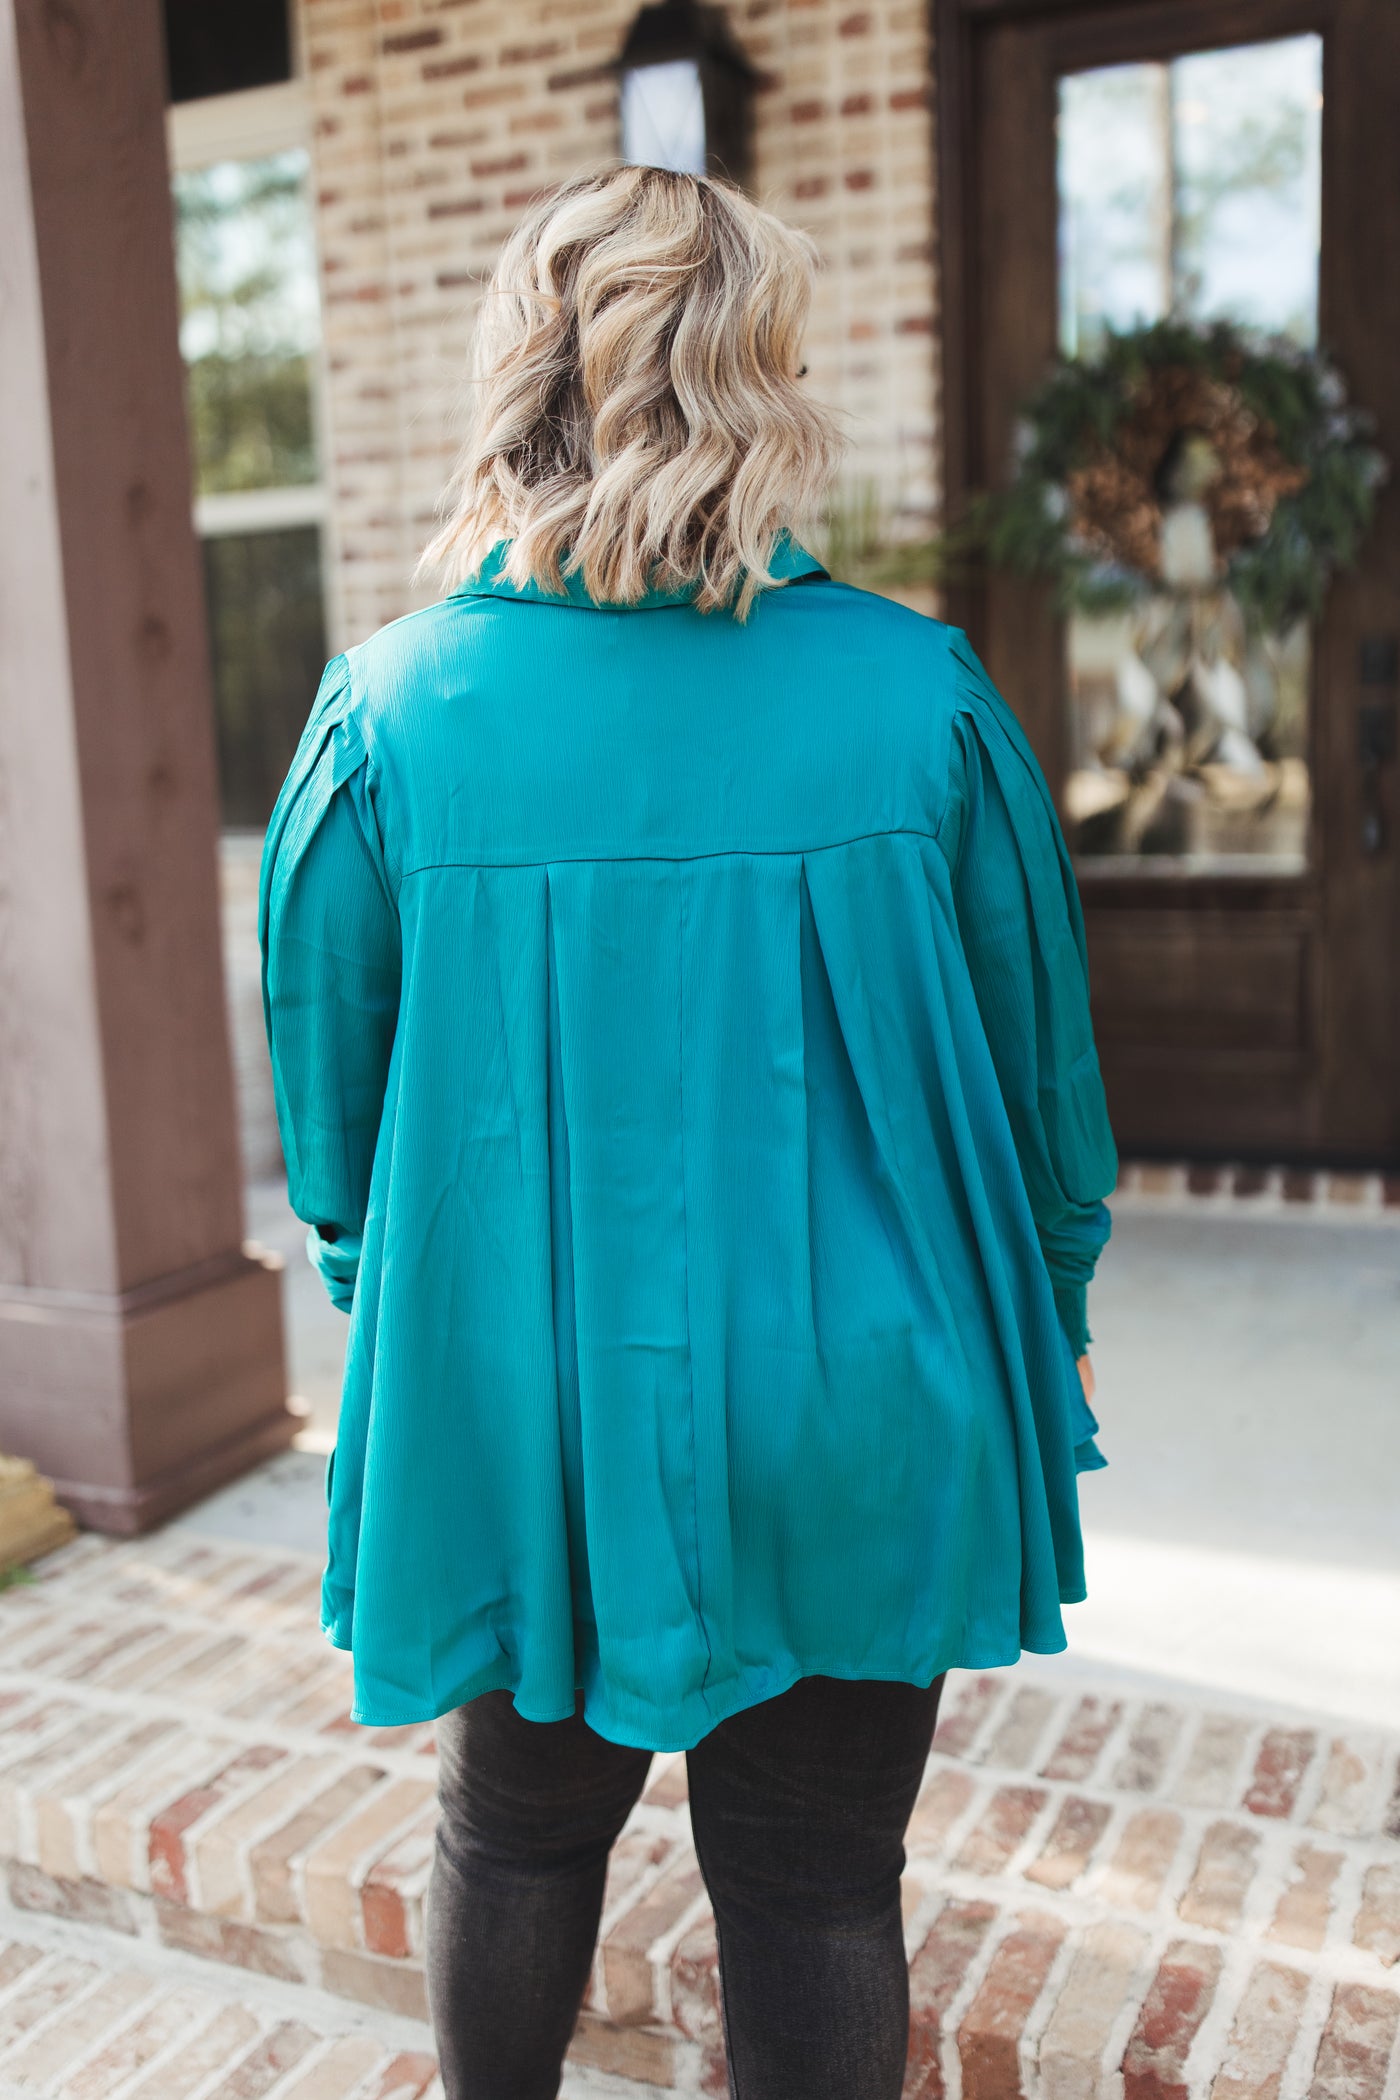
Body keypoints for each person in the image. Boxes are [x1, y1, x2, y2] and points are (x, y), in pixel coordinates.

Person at [260, 162, 1117, 2100]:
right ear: (765, 378)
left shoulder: (384, 717)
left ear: (520, 379)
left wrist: (410, 1292)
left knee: (513, 1833)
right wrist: (1038, 1310)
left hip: (523, 1397)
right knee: (817, 1887)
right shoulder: (923, 696)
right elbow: (1049, 1103)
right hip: (861, 1391)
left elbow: (335, 1139)